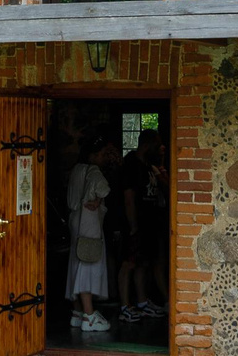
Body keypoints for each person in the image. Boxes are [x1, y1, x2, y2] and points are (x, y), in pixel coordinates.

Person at [65, 139, 116, 334]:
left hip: (75, 220)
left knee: (76, 261)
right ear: (93, 155)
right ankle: (89, 314)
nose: (103, 158)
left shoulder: (77, 169)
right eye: (102, 154)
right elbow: (104, 188)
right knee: (88, 261)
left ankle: (77, 311)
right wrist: (98, 198)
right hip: (89, 220)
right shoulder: (93, 170)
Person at [118, 128, 169, 323]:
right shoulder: (131, 165)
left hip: (148, 222)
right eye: (156, 146)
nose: (159, 150)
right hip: (135, 222)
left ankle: (142, 302)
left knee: (143, 263)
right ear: (146, 145)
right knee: (128, 263)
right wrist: (132, 225)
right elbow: (129, 197)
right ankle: (125, 306)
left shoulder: (147, 165)